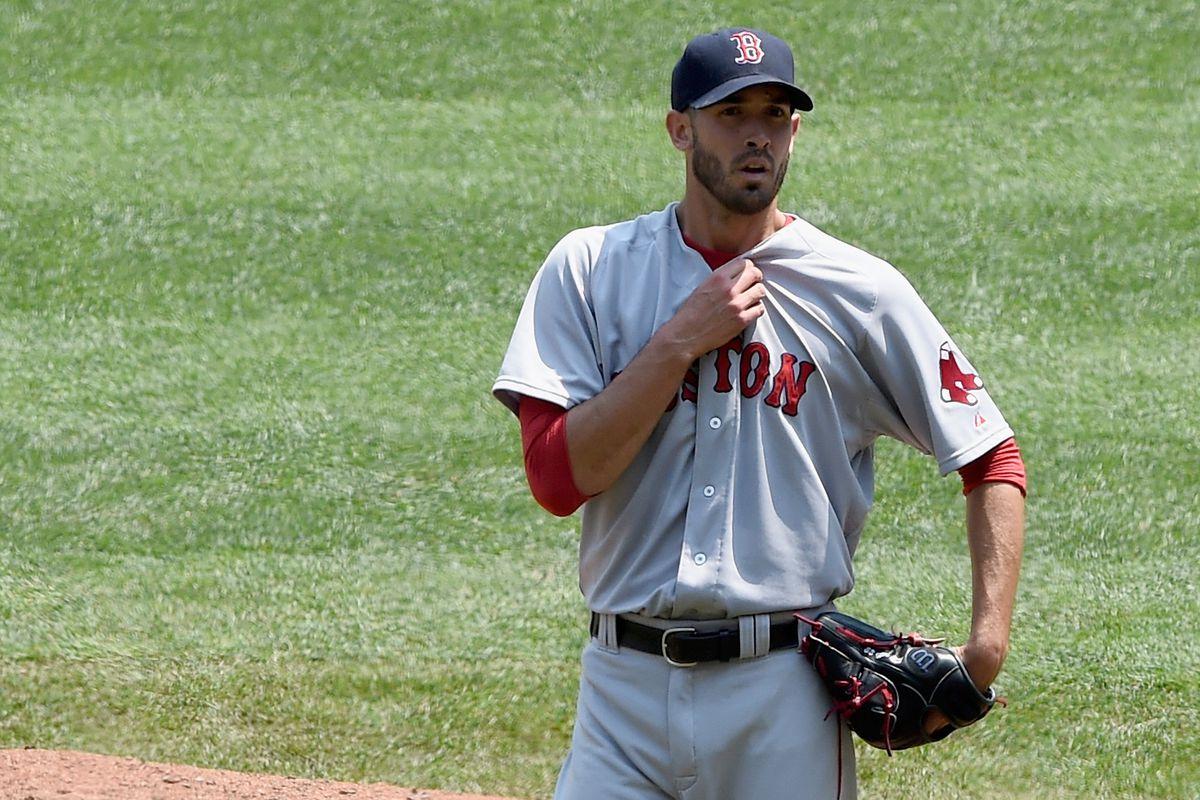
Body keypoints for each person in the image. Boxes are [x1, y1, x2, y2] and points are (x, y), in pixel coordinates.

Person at [492, 27, 1026, 800]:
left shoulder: (859, 290)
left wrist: (986, 648)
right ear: (680, 129)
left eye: (776, 115)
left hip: (782, 700)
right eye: (732, 112)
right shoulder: (591, 267)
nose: (757, 136)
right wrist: (677, 342)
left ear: (796, 131)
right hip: (621, 696)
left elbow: (990, 456)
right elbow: (555, 478)